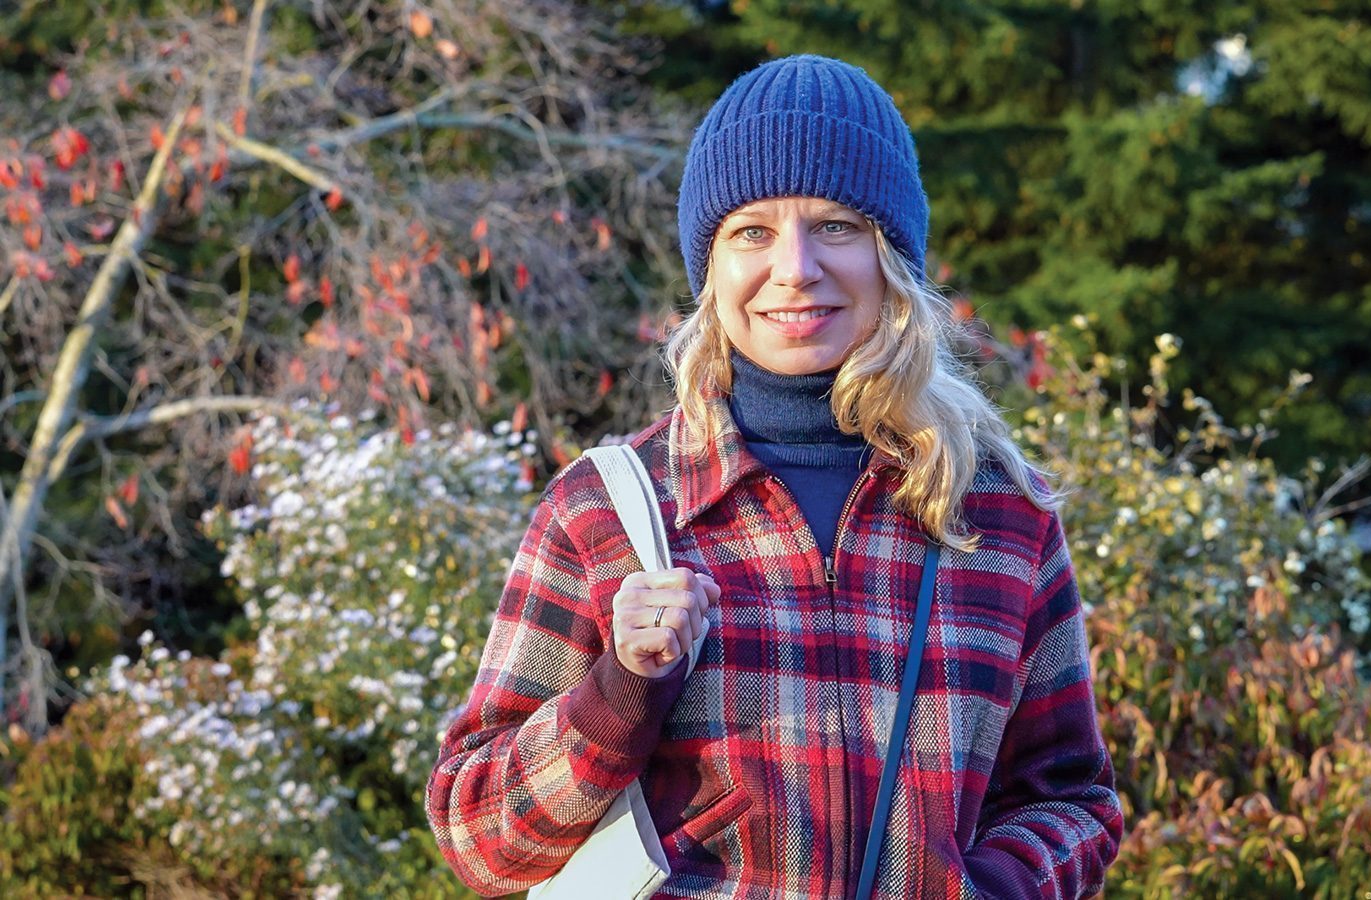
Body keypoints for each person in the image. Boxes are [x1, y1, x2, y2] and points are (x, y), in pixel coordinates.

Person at [427, 54, 1123, 898]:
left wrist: (994, 889)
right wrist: (620, 692)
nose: (794, 267)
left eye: (836, 225)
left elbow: (1071, 800)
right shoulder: (606, 510)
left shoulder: (999, 515)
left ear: (892, 257)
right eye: (751, 231)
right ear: (710, 268)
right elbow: (478, 835)